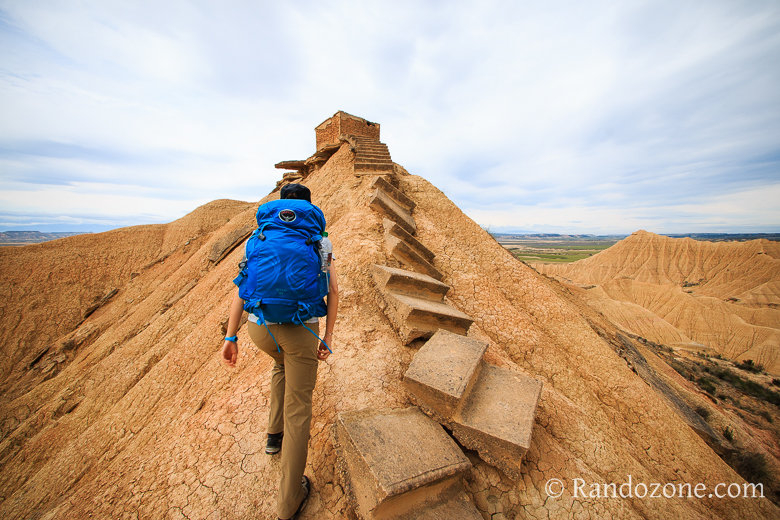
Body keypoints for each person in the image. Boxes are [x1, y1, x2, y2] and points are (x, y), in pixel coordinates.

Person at [220, 183, 339, 520]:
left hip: (259, 329)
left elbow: (242, 290)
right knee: (299, 408)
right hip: (300, 331)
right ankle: (289, 500)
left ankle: (274, 436)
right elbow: (333, 292)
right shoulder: (321, 242)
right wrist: (327, 337)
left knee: (279, 367)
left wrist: (231, 338)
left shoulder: (257, 239)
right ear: (309, 208)